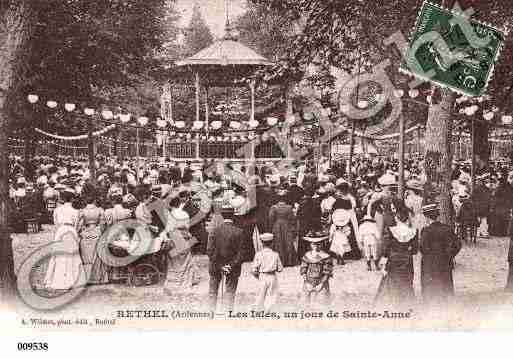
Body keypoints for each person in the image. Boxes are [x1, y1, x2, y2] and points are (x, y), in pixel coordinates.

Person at [420, 203, 462, 307]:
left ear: (426, 217)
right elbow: (458, 244)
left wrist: (428, 255)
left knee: (430, 285)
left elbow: (422, 247)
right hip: (444, 261)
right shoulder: (447, 229)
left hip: (430, 264)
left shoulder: (426, 231)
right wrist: (450, 255)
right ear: (437, 215)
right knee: (445, 283)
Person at [376, 204, 418, 306]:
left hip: (394, 259)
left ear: (397, 218)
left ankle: (394, 302)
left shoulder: (391, 230)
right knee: (407, 281)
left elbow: (386, 248)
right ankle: (407, 303)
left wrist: (384, 258)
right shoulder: (413, 232)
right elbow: (415, 251)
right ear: (407, 218)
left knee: (393, 282)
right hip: (407, 260)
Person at [43, 188, 85, 291]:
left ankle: (57, 279)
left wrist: (61, 230)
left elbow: (56, 223)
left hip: (61, 231)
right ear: (71, 199)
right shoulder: (75, 211)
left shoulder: (57, 210)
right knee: (72, 254)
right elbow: (76, 225)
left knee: (58, 255)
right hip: (71, 230)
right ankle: (73, 279)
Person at [207, 207, 246, 312]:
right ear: (233, 216)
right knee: (230, 292)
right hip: (233, 268)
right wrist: (230, 265)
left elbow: (210, 251)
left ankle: (210, 314)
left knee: (212, 292)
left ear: (222, 216)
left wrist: (220, 265)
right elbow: (242, 253)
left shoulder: (214, 231)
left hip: (215, 266)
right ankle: (228, 314)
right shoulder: (239, 232)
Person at [77, 192, 105, 282]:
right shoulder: (99, 210)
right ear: (94, 201)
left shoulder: (82, 211)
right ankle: (98, 277)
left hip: (86, 233)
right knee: (96, 255)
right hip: (96, 231)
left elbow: (80, 225)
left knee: (86, 256)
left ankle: (87, 277)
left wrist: (80, 232)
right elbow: (102, 224)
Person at [251, 233, 283, 312]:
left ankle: (259, 311)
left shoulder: (258, 254)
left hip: (262, 276)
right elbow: (280, 269)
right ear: (272, 243)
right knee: (271, 295)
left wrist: (258, 276)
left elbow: (253, 269)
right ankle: (268, 311)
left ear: (262, 243)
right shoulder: (275, 255)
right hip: (272, 277)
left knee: (260, 295)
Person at [300, 233, 334, 308]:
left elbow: (327, 272)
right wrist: (306, 280)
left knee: (322, 303)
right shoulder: (307, 255)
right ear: (310, 244)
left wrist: (321, 284)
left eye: (318, 244)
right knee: (306, 303)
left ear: (321, 244)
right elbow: (303, 269)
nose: (315, 246)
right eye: (313, 244)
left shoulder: (326, 256)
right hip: (309, 281)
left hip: (321, 281)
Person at [269, 191, 298, 267]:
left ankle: (279, 261)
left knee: (278, 243)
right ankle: (289, 261)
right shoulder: (289, 207)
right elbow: (292, 219)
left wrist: (272, 226)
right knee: (287, 242)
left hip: (277, 226)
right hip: (286, 225)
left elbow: (271, 218)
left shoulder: (274, 207)